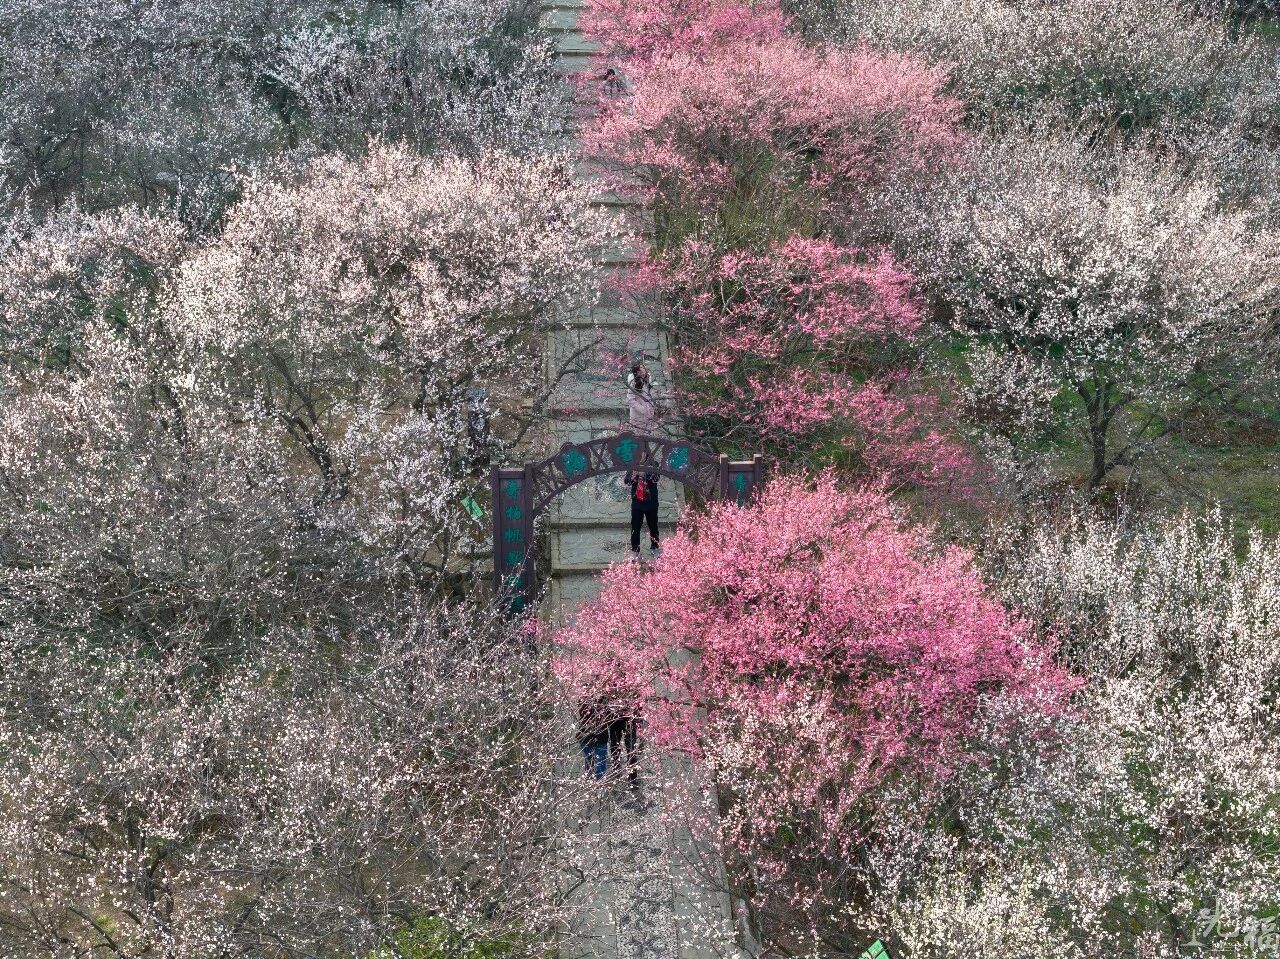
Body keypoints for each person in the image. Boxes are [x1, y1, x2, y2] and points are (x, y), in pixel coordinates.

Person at [625, 469, 660, 558]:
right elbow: (627, 482)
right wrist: (633, 476)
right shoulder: (633, 465)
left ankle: (655, 547)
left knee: (653, 526)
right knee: (635, 527)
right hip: (637, 503)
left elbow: (656, 478)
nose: (641, 454)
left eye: (643, 453)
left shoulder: (653, 464)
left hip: (651, 502)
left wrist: (644, 473)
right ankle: (635, 550)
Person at [627, 363, 657, 434]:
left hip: (649, 412)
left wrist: (651, 407)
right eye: (642, 367)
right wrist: (643, 409)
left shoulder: (647, 379)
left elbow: (650, 395)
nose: (645, 368)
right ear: (637, 371)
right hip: (638, 414)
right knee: (638, 436)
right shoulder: (633, 382)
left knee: (648, 435)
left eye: (644, 366)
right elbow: (630, 400)